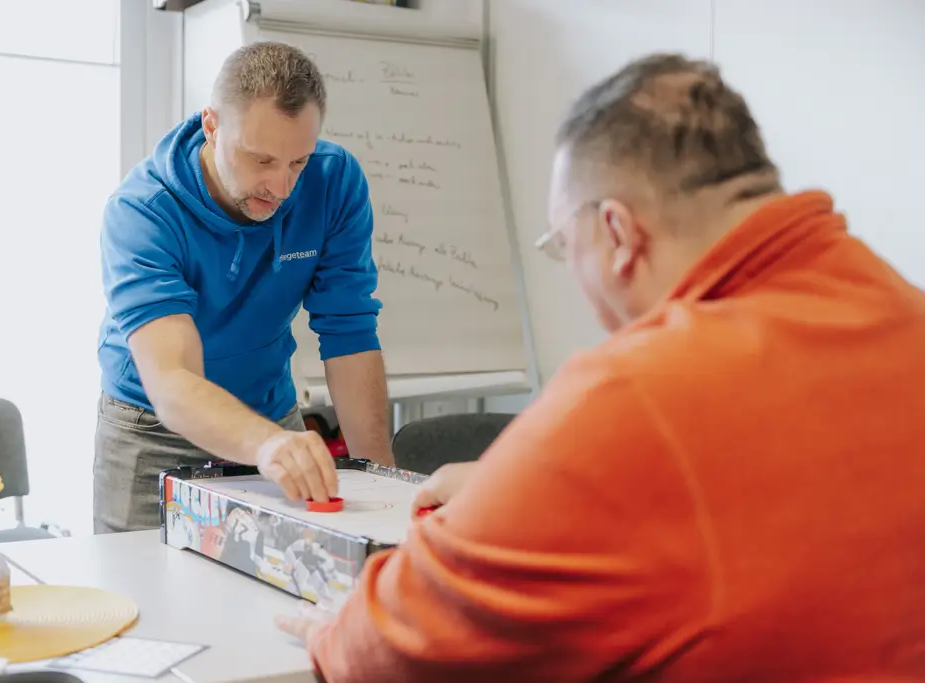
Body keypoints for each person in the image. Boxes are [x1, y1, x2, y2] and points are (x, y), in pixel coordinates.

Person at [276, 53, 925, 682]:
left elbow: (398, 645)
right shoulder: (901, 311)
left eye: (565, 244)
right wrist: (526, 484)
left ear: (617, 233)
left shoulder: (645, 392)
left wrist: (336, 635)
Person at [94, 42, 394, 535]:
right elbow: (172, 380)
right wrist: (266, 445)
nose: (281, 187)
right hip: (151, 428)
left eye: (298, 162)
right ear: (211, 127)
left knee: (292, 587)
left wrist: (383, 481)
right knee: (146, 599)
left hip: (269, 414)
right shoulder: (142, 212)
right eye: (261, 161)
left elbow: (351, 332)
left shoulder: (335, 181)